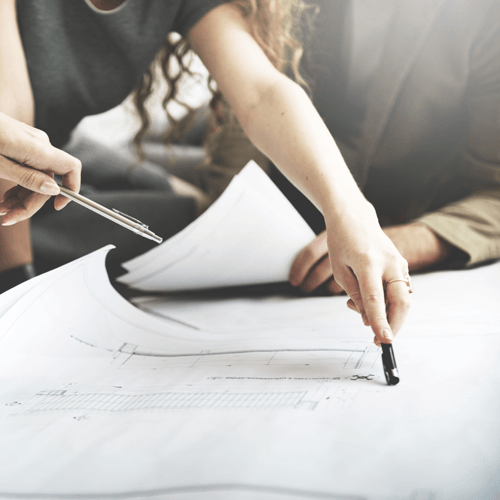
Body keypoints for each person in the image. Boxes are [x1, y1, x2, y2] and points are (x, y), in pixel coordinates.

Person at [1, 0, 411, 346]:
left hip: (59, 152)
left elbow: (260, 93)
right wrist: (17, 285)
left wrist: (349, 213)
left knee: (196, 223)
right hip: (11, 164)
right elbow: (13, 120)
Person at [198, 0, 500, 304]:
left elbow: (494, 194)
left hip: (403, 217)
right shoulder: (269, 6)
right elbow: (253, 100)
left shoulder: (486, 14)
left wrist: (401, 242)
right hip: (276, 212)